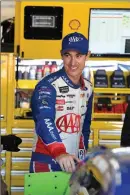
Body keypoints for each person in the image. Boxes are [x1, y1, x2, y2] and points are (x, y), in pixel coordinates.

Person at [29, 32, 93, 173]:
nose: (73, 62)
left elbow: (85, 126)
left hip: (73, 161)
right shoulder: (48, 85)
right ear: (61, 55)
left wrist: (82, 156)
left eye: (78, 55)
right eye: (67, 55)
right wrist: (59, 152)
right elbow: (43, 120)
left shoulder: (88, 87)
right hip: (46, 160)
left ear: (87, 55)